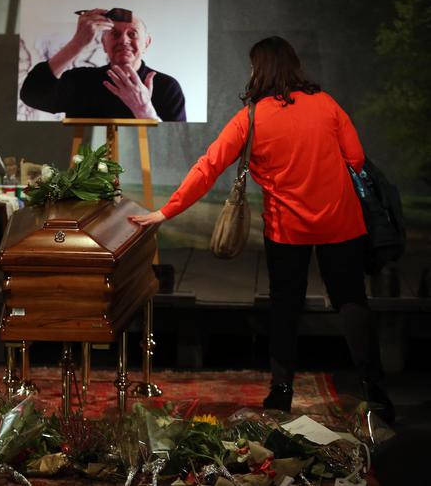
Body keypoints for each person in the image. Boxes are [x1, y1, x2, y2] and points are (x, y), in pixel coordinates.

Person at [130, 36, 395, 422]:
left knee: (285, 305)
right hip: (340, 220)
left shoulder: (251, 117)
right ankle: (376, 393)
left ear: (260, 70)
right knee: (351, 300)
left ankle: (281, 391)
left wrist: (165, 212)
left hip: (288, 229)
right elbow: (355, 159)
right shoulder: (326, 104)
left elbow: (208, 167)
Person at [20, 9, 186, 121]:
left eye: (132, 34)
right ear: (104, 44)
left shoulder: (167, 87)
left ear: (146, 43)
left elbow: (174, 144)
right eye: (115, 34)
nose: (124, 40)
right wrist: (77, 43)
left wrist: (144, 110)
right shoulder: (80, 80)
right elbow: (32, 95)